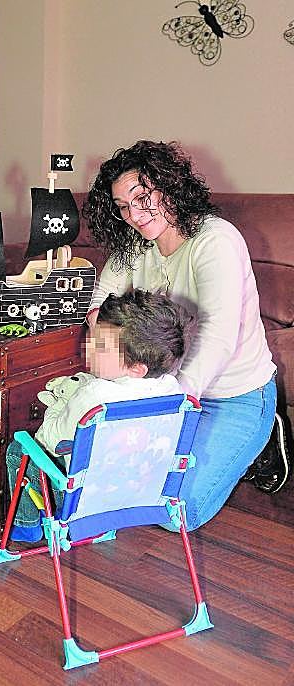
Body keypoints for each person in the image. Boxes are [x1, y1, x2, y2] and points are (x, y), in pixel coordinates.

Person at [83, 139, 285, 528]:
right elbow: (99, 304)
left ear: (169, 186)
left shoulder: (215, 240)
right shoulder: (137, 244)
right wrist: (102, 332)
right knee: (126, 490)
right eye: (123, 206)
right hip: (164, 389)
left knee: (175, 514)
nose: (134, 215)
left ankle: (265, 438)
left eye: (142, 198)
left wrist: (171, 403)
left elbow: (218, 335)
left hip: (233, 397)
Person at [6, 289, 192, 542]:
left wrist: (61, 404)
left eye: (102, 346)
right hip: (140, 493)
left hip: (86, 500)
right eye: (95, 337)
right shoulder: (174, 392)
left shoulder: (93, 396)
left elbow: (48, 439)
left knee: (20, 448)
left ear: (137, 369)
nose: (90, 347)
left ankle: (26, 526)